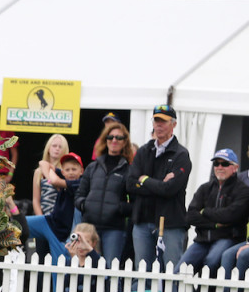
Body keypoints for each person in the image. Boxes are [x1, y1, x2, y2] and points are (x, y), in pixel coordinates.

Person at [128, 104, 192, 269]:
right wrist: (159, 184)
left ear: (174, 124)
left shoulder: (181, 154)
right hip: (143, 219)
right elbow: (130, 184)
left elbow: (169, 190)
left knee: (171, 270)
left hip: (171, 222)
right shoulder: (143, 150)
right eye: (156, 121)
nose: (159, 125)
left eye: (163, 121)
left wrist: (144, 180)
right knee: (142, 271)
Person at [179, 149, 249, 274]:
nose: (219, 167)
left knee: (211, 262)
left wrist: (204, 211)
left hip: (228, 238)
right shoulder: (205, 188)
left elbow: (230, 216)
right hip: (202, 239)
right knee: (180, 269)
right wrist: (215, 224)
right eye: (216, 163)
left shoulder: (242, 190)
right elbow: (190, 216)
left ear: (235, 167)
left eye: (225, 164)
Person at [76, 122, 133, 265]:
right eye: (110, 137)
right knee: (86, 267)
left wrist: (119, 209)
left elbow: (135, 203)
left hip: (114, 229)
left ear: (125, 141)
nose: (114, 140)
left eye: (119, 138)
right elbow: (79, 195)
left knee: (110, 270)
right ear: (105, 140)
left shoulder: (129, 170)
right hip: (89, 227)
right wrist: (86, 205)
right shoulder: (92, 167)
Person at [27, 152, 83, 261]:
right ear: (63, 172)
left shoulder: (80, 183)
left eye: (74, 169)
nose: (70, 172)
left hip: (62, 233)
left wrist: (54, 181)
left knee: (58, 269)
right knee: (17, 224)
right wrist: (50, 178)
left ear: (81, 171)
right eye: (67, 170)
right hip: (50, 222)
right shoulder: (63, 176)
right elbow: (43, 163)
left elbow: (55, 180)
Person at [33, 134, 69, 216]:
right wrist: (41, 218)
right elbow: (35, 200)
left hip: (61, 217)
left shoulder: (66, 172)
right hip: (44, 215)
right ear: (48, 148)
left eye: (60, 147)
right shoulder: (38, 172)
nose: (57, 149)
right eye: (54, 146)